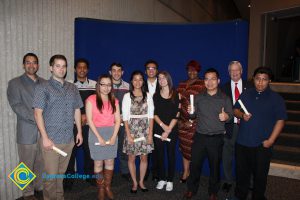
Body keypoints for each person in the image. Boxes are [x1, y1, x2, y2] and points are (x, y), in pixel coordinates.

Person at [33, 54, 83, 200]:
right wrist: (45, 138)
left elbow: (77, 110)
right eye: (57, 66)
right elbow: (37, 113)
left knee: (60, 176)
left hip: (68, 139)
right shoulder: (43, 87)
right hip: (51, 141)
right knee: (51, 177)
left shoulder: (72, 87)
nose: (61, 69)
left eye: (64, 66)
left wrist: (79, 132)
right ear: (51, 68)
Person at [232, 67, 287, 200]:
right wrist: (242, 114)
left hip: (262, 145)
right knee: (241, 174)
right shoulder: (246, 94)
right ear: (253, 79)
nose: (260, 82)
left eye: (264, 80)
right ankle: (240, 196)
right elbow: (235, 110)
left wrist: (271, 140)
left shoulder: (276, 99)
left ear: (269, 81)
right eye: (258, 79)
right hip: (242, 143)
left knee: (260, 176)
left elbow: (281, 120)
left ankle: (258, 197)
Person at [184, 68, 233, 200]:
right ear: (204, 81)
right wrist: (191, 112)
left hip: (216, 138)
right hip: (200, 137)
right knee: (195, 166)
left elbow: (231, 115)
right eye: (206, 79)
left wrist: (226, 116)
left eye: (212, 79)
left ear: (218, 81)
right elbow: (193, 117)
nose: (209, 82)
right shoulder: (199, 97)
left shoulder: (224, 98)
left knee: (215, 167)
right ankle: (191, 189)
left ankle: (213, 192)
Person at [7, 53, 45, 200]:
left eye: (34, 62)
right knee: (25, 164)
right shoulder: (15, 83)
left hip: (44, 132)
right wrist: (37, 117)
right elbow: (17, 105)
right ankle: (27, 194)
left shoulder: (44, 83)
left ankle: (39, 188)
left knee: (41, 162)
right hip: (26, 130)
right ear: (23, 65)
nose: (31, 65)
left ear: (38, 65)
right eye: (28, 62)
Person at [86, 74, 121, 200]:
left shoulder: (114, 100)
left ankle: (107, 187)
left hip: (111, 133)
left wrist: (113, 136)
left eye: (109, 85)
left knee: (110, 162)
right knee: (98, 163)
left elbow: (117, 120)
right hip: (96, 133)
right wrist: (99, 137)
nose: (106, 87)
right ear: (98, 85)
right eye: (103, 84)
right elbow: (89, 120)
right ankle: (100, 188)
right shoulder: (91, 99)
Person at [64, 58, 97, 189]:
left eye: (84, 67)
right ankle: (69, 180)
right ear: (75, 69)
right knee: (70, 154)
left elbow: (98, 104)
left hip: (90, 125)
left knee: (90, 152)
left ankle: (90, 177)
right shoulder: (69, 85)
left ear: (87, 70)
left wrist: (87, 117)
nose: (82, 70)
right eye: (79, 67)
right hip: (72, 125)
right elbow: (66, 105)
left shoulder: (95, 84)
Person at [221, 61, 252, 193]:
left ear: (241, 71)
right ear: (229, 73)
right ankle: (228, 181)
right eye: (231, 71)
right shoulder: (224, 87)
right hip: (230, 126)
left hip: (247, 127)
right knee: (227, 156)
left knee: (246, 156)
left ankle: (247, 181)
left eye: (237, 70)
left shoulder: (250, 86)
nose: (234, 73)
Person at [122, 70, 154, 193]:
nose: (138, 82)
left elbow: (151, 116)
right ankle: (134, 182)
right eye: (135, 79)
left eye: (140, 79)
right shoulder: (127, 96)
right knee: (131, 159)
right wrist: (128, 135)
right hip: (132, 130)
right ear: (131, 81)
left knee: (144, 159)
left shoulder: (148, 95)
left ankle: (141, 181)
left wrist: (150, 134)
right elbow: (125, 117)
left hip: (145, 130)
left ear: (143, 81)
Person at [177, 60, 206, 183]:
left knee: (193, 149)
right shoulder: (182, 84)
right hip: (182, 122)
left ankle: (193, 174)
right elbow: (176, 102)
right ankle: (185, 171)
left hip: (195, 122)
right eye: (189, 69)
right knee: (184, 148)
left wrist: (194, 119)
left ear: (198, 71)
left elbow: (205, 103)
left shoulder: (202, 84)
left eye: (194, 70)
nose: (191, 72)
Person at [153, 71, 180, 192]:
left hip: (172, 130)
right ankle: (162, 178)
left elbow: (177, 114)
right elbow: (154, 114)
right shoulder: (156, 95)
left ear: (168, 79)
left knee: (170, 155)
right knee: (159, 155)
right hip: (158, 129)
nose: (161, 80)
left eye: (163, 78)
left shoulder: (176, 94)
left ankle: (170, 180)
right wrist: (163, 127)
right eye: (159, 78)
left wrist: (168, 130)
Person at [109, 62, 130, 181]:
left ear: (122, 72)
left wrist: (124, 116)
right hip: (108, 124)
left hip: (123, 123)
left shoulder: (128, 86)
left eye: (119, 70)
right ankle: (108, 173)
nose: (116, 73)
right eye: (114, 70)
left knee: (123, 148)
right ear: (110, 72)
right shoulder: (105, 85)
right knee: (108, 149)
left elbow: (131, 105)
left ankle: (125, 171)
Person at [144, 59, 160, 181]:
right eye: (148, 68)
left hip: (159, 121)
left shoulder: (163, 83)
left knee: (157, 149)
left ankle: (156, 172)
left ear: (157, 71)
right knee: (145, 148)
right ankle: (144, 172)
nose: (151, 70)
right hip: (144, 121)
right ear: (145, 71)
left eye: (153, 68)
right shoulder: (140, 84)